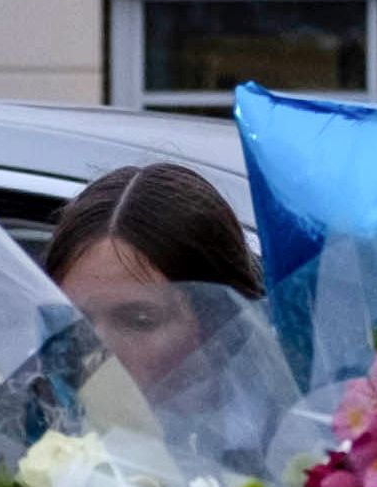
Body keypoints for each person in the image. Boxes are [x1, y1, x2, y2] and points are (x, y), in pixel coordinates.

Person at [44, 157, 265, 396]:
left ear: (219, 327)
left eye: (139, 321)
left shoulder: (292, 430)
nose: (97, 352)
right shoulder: (14, 422)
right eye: (74, 321)